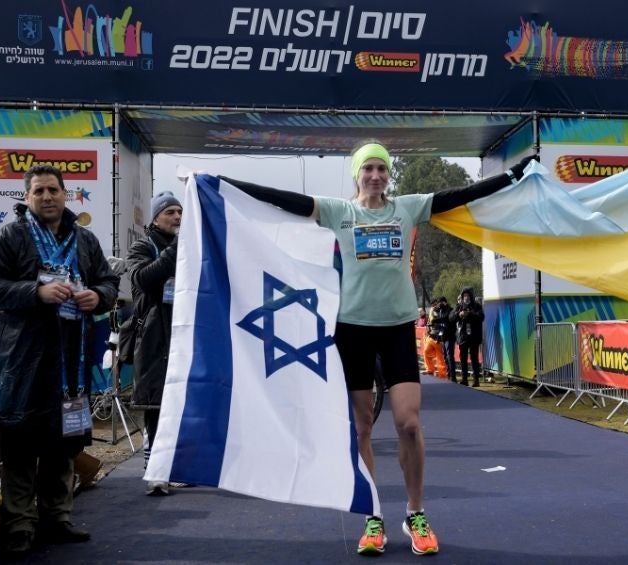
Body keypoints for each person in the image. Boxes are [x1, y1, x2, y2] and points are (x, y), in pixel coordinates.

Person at [228, 141, 536, 556]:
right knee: (362, 429)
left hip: (396, 329)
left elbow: (461, 195)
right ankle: (373, 518)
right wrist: (226, 184)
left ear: (388, 174)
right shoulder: (340, 212)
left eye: (381, 169)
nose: (375, 175)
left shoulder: (407, 208)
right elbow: (287, 201)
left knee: (408, 424)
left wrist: (512, 174)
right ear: (357, 174)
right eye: (368, 169)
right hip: (352, 330)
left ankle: (415, 513)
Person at [0, 164, 119, 556]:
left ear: (65, 194)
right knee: (21, 443)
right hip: (24, 357)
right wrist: (34, 293)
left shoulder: (84, 239)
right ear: (27, 196)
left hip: (71, 357)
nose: (47, 197)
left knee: (64, 439)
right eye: (38, 191)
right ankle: (20, 522)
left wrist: (98, 297)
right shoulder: (10, 236)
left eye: (53, 190)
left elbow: (108, 280)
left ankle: (58, 517)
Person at [125, 191, 184, 496]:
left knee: (181, 404)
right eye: (170, 211)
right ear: (155, 217)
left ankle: (175, 466)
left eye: (180, 212)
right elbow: (143, 280)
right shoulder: (142, 246)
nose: (177, 217)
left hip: (183, 333)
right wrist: (175, 249)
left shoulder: (190, 246)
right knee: (157, 406)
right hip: (153, 337)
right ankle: (156, 471)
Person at [453, 287, 485, 387]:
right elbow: (451, 317)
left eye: (468, 295)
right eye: (464, 295)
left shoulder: (477, 306)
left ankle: (476, 380)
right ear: (462, 297)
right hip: (463, 336)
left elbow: (481, 317)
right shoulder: (459, 306)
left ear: (471, 296)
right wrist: (459, 314)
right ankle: (464, 379)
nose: (466, 297)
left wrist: (470, 314)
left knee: (474, 358)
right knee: (463, 358)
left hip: (474, 337)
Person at [422, 298, 448, 379]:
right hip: (431, 335)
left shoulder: (442, 310)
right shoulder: (431, 310)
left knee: (440, 357)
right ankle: (430, 369)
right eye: (433, 304)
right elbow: (430, 322)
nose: (434, 305)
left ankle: (442, 374)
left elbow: (440, 319)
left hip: (439, 337)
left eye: (435, 303)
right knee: (426, 352)